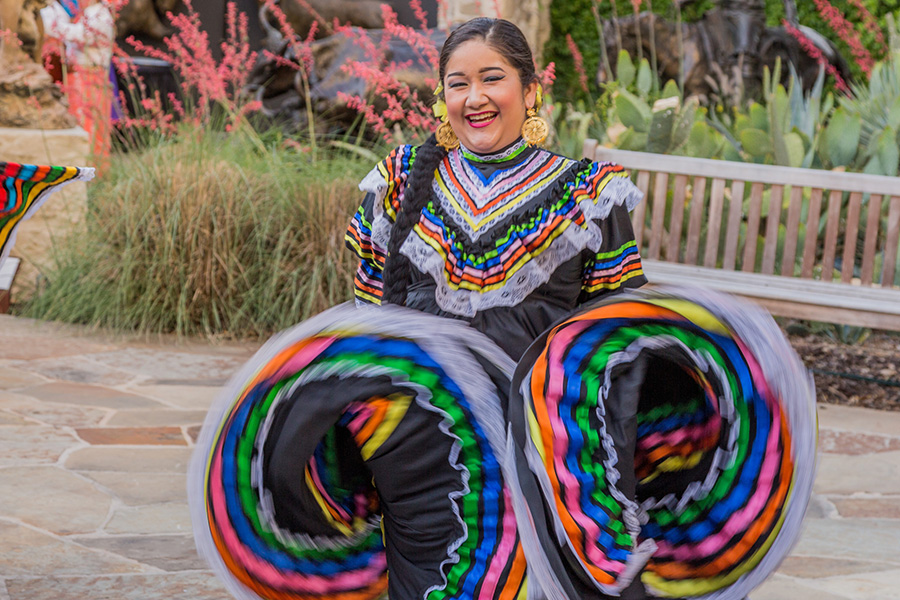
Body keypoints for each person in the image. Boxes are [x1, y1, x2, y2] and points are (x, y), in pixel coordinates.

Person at [345, 17, 646, 363]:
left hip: (534, 407)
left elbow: (616, 334)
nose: (475, 98)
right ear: (444, 99)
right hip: (424, 400)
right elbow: (368, 309)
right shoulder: (400, 179)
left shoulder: (588, 196)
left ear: (530, 91)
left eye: (492, 79)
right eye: (458, 85)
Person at [41, 0, 115, 172]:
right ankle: (79, 167)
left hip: (91, 76)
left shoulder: (100, 15)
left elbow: (79, 35)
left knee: (91, 124)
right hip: (79, 76)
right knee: (79, 121)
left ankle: (94, 169)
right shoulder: (86, 15)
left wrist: (51, 24)